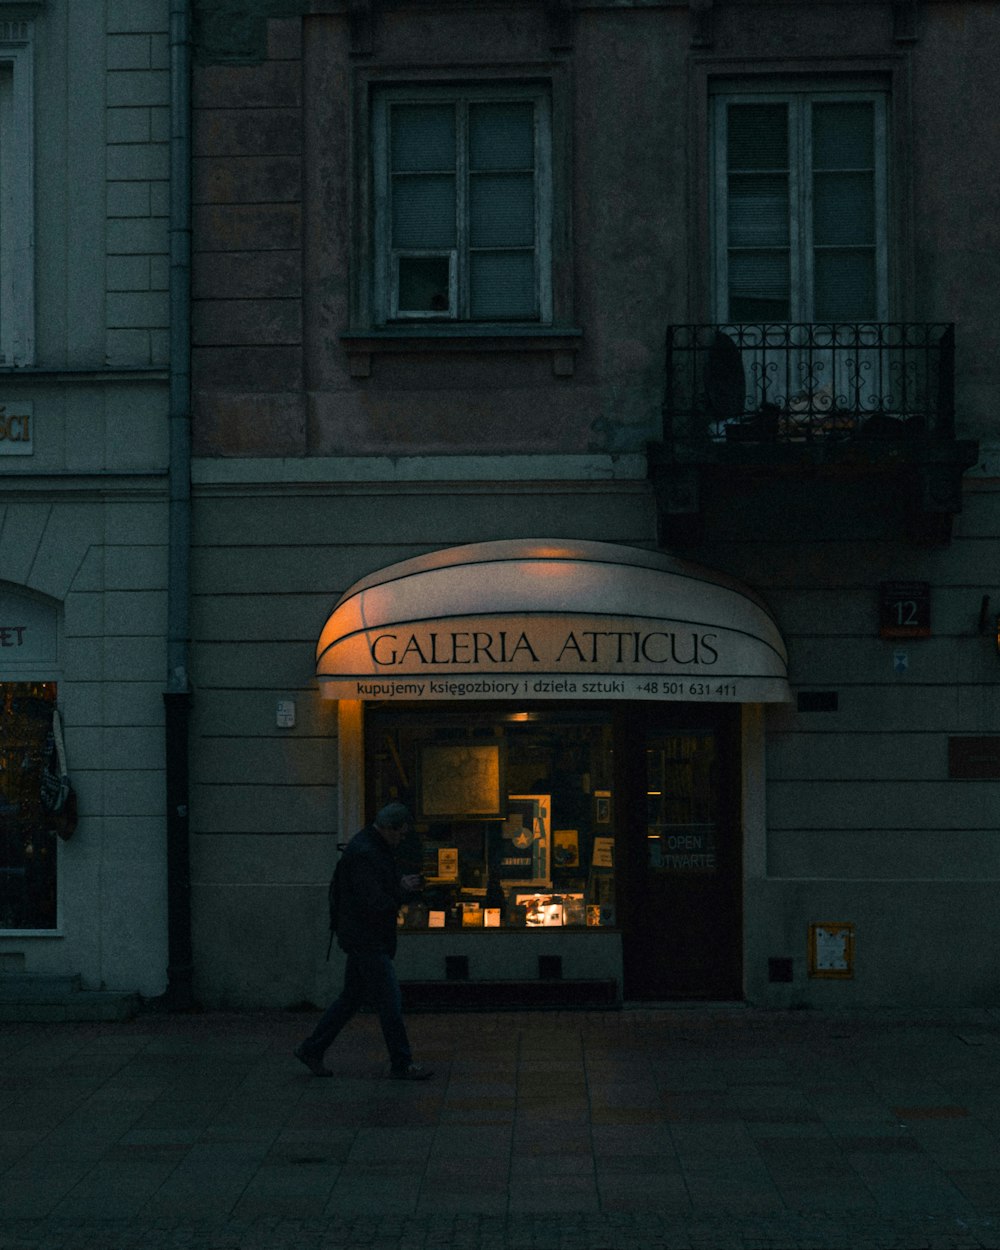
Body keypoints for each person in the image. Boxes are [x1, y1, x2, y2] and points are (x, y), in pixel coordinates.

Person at [294, 801, 433, 1081]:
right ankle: (401, 1063)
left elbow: (374, 890)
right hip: (367, 939)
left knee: (351, 998)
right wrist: (401, 889)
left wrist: (399, 885)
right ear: (390, 829)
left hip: (362, 936)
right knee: (390, 1000)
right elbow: (373, 900)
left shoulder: (369, 847)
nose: (402, 838)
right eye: (401, 833)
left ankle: (312, 1048)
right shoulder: (366, 853)